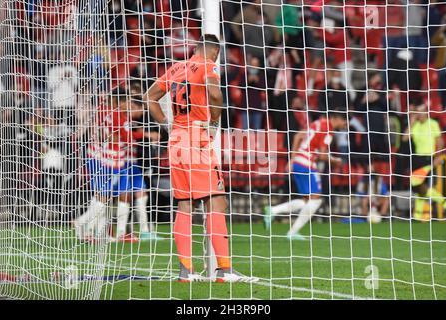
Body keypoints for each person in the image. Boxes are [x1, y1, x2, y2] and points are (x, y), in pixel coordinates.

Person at [146, 34, 258, 283]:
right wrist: (215, 121)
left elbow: (149, 98)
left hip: (175, 141)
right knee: (216, 203)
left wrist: (166, 125)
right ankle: (225, 271)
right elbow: (215, 94)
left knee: (184, 206)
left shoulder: (175, 68)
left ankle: (186, 271)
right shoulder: (208, 66)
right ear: (214, 53)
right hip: (197, 138)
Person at [74, 89, 157, 242]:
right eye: (126, 102)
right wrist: (143, 135)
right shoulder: (118, 116)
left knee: (105, 195)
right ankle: (85, 225)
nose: (128, 105)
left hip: (100, 156)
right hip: (107, 159)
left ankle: (103, 232)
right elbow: (127, 138)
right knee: (105, 196)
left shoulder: (103, 111)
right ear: (120, 101)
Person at [263, 108, 347, 240]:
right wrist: (335, 160)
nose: (344, 126)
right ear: (338, 119)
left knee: (307, 201)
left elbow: (297, 136)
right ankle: (292, 233)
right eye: (344, 122)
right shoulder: (328, 130)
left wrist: (292, 159)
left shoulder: (317, 123)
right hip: (307, 165)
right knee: (316, 200)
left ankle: (273, 211)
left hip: (298, 162)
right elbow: (324, 155)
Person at [403, 103, 446, 220]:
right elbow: (404, 137)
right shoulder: (416, 125)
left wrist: (438, 156)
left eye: (421, 111)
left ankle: (444, 202)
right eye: (418, 112)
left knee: (415, 182)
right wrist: (412, 122)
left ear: (426, 112)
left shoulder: (433, 124)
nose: (419, 114)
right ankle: (418, 215)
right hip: (417, 158)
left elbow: (440, 141)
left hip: (429, 158)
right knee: (419, 187)